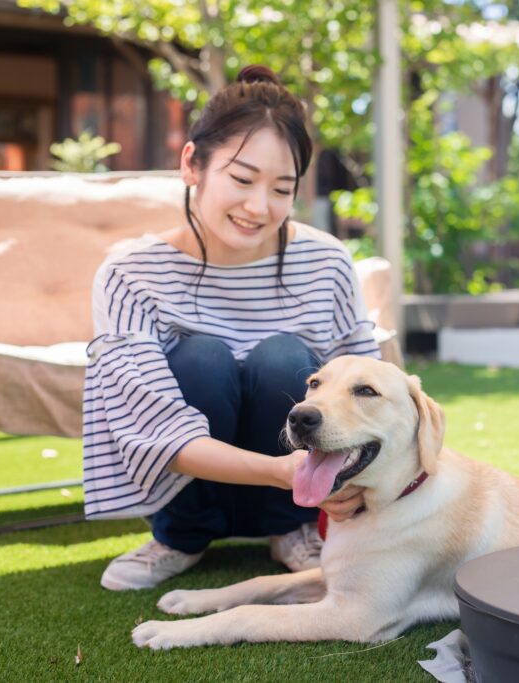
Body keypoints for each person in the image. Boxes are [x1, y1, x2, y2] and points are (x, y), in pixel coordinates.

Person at [83, 65, 371, 591]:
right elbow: (152, 426)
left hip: (299, 489)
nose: (259, 208)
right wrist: (281, 470)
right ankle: (181, 536)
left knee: (284, 357)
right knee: (201, 358)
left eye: (282, 189)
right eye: (241, 180)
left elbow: (373, 384)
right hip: (202, 479)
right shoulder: (130, 273)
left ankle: (292, 530)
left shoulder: (326, 262)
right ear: (192, 163)